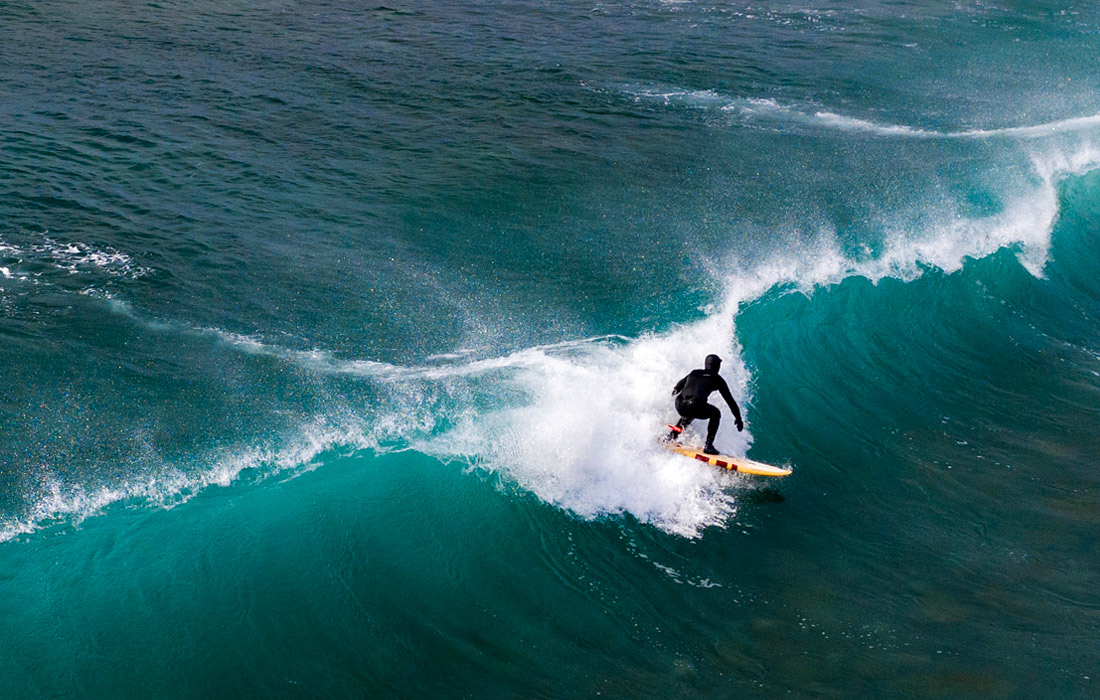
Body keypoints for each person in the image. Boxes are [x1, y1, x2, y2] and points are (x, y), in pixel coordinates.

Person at [666, 354, 743, 455]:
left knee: (690, 412)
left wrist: (669, 399)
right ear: (717, 366)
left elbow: (678, 386)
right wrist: (738, 418)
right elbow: (730, 401)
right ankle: (708, 445)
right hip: (694, 405)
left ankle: (672, 435)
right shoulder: (717, 379)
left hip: (679, 403)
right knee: (715, 413)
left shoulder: (695, 372)